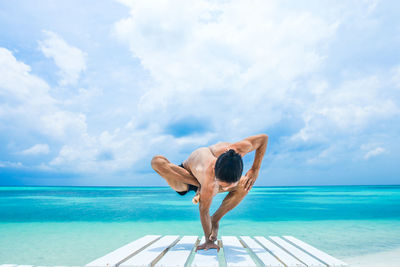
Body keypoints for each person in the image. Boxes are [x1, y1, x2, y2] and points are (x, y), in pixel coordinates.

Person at [150, 134, 268, 251]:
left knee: (246, 184)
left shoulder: (238, 149)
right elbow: (204, 210)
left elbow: (263, 139)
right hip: (186, 177)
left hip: (209, 181)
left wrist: (255, 169)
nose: (225, 189)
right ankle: (198, 184)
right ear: (215, 172)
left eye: (228, 186)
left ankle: (215, 219)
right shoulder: (209, 178)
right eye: (222, 185)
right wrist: (208, 241)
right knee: (157, 162)